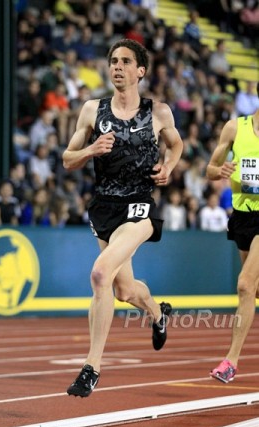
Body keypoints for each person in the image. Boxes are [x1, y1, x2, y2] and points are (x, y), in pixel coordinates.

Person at [63, 38, 183, 397]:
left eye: (125, 61)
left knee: (100, 274)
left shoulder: (158, 112)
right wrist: (91, 149)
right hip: (105, 207)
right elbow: (68, 159)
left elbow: (176, 145)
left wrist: (169, 168)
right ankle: (158, 314)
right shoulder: (91, 111)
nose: (117, 66)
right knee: (124, 289)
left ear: (140, 71)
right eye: (113, 60)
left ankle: (91, 368)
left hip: (140, 207)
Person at [206, 82, 259, 383]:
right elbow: (211, 169)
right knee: (255, 290)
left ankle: (231, 361)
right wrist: (222, 171)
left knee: (244, 284)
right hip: (242, 216)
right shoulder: (234, 128)